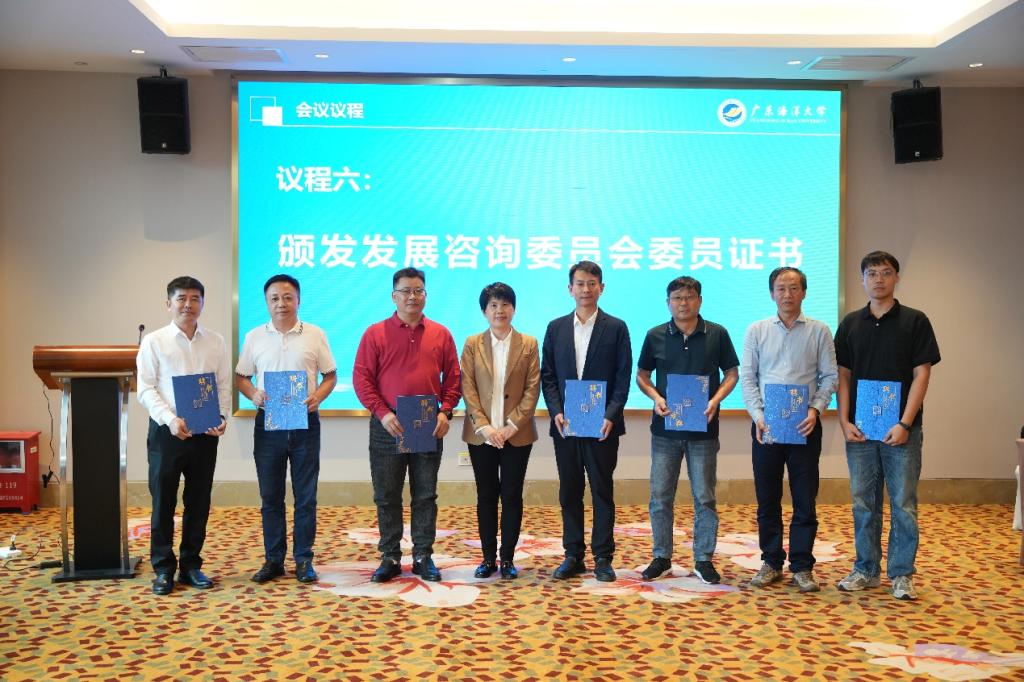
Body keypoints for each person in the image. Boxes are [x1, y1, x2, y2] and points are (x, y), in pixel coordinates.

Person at [834, 251, 940, 600]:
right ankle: (866, 569)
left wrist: (905, 422)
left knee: (903, 503)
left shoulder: (915, 321)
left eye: (886, 272)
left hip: (902, 431)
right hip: (860, 431)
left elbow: (922, 374)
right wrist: (844, 420)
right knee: (863, 503)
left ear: (896, 277)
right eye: (872, 273)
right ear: (862, 279)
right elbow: (843, 375)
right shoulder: (851, 323)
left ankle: (902, 573)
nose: (878, 279)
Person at [353, 267, 461, 583]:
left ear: (425, 295)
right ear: (394, 296)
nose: (412, 296)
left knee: (425, 494)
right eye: (405, 291)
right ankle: (390, 555)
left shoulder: (441, 333)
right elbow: (362, 379)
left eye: (418, 291)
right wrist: (382, 412)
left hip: (427, 421)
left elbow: (454, 378)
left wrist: (445, 412)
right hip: (388, 423)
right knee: (387, 495)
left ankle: (423, 555)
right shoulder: (375, 333)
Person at [635, 276, 739, 584]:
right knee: (660, 496)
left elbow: (731, 373)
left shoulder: (717, 334)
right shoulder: (655, 335)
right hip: (664, 431)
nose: (683, 303)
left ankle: (703, 559)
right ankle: (661, 557)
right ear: (668, 303)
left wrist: (716, 400)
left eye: (689, 297)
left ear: (700, 300)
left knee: (704, 497)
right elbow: (642, 375)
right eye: (677, 298)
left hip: (703, 431)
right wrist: (656, 398)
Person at [740, 266, 837, 593]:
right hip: (766, 428)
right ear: (772, 293)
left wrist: (815, 409)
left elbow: (829, 376)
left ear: (804, 292)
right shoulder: (757, 330)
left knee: (804, 499)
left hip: (804, 427)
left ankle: (802, 565)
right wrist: (758, 416)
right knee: (767, 499)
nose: (787, 294)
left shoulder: (819, 331)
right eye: (781, 288)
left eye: (794, 288)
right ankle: (770, 561)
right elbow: (748, 378)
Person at [236, 274, 337, 584]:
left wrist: (318, 397)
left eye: (288, 297)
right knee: (271, 497)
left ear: (298, 300)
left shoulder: (315, 334)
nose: (281, 303)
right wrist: (253, 394)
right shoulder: (254, 336)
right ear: (267, 303)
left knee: (306, 497)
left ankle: (304, 559)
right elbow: (242, 377)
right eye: (275, 298)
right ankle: (274, 560)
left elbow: (330, 375)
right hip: (268, 425)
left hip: (306, 424)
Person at [137, 276, 230, 596]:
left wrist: (221, 417)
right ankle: (163, 568)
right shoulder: (154, 341)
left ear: (202, 303)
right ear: (169, 304)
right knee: (163, 501)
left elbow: (223, 385)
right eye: (181, 299)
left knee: (198, 501)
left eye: (194, 299)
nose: (188, 305)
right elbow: (145, 388)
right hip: (167, 432)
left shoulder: (215, 341)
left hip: (205, 432)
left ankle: (191, 564)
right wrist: (170, 419)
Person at [541, 261, 631, 582]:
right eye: (579, 284)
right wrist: (556, 410)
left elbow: (623, 377)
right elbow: (548, 376)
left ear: (601, 288)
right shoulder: (555, 328)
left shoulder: (616, 327)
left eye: (592, 283)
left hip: (602, 427)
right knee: (570, 492)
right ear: (570, 289)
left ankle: (603, 557)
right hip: (566, 426)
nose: (586, 289)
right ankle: (573, 554)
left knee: (602, 491)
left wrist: (611, 415)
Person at [460, 282, 540, 580]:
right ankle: (487, 558)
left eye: (505, 304)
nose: (499, 310)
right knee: (486, 496)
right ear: (484, 311)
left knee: (512, 495)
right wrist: (484, 427)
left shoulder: (529, 343)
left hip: (517, 435)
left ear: (513, 308)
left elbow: (532, 389)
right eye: (493, 305)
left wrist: (510, 427)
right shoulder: (472, 344)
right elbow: (467, 387)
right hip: (481, 436)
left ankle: (507, 559)